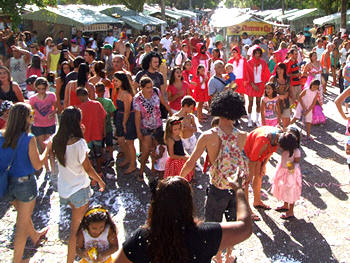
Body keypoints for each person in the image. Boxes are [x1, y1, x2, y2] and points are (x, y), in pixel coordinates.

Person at [113, 176, 252, 263]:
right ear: (189, 204)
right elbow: (245, 227)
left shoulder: (142, 238)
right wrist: (239, 190)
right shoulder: (205, 235)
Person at [180, 90, 248, 262]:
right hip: (236, 188)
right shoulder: (242, 136)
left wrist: (179, 179)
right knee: (233, 224)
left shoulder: (209, 136)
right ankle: (229, 254)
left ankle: (217, 255)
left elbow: (191, 162)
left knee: (213, 225)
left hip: (217, 188)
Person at [52, 107, 105, 263]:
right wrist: (100, 180)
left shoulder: (57, 139)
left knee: (79, 226)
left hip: (65, 188)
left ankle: (78, 254)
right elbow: (87, 168)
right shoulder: (79, 143)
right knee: (76, 230)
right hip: (79, 189)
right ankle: (71, 259)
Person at [0, 103, 50, 263]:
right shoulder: (28, 138)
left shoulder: (1, 136)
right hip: (25, 184)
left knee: (22, 215)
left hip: (7, 184)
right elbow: (37, 165)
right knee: (21, 225)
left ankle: (35, 236)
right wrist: (47, 150)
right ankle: (18, 260)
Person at [133, 77, 172, 181]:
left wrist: (171, 111)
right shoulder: (137, 99)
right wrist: (138, 132)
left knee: (158, 149)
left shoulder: (156, 91)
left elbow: (163, 102)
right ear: (141, 88)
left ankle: (154, 169)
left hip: (158, 125)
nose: (150, 89)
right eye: (147, 88)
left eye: (151, 87)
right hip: (146, 127)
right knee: (146, 151)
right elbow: (137, 117)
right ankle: (141, 172)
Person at [244, 125, 283, 221]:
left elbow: (269, 153)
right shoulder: (263, 141)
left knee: (259, 175)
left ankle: (257, 201)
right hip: (247, 152)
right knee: (246, 181)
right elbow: (253, 159)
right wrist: (249, 174)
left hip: (257, 152)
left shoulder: (277, 138)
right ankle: (246, 209)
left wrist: (263, 165)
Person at [29, 77, 57, 176]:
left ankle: (53, 169)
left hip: (50, 123)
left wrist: (53, 113)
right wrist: (32, 118)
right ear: (36, 88)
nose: (41, 91)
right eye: (39, 89)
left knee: (51, 148)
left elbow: (55, 107)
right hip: (38, 125)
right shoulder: (32, 99)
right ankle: (47, 169)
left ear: (46, 88)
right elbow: (31, 111)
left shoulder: (51, 96)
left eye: (43, 89)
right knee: (43, 147)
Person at [77, 88, 106, 176]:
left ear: (80, 96)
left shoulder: (80, 108)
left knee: (88, 155)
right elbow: (104, 117)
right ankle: (99, 170)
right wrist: (103, 130)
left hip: (86, 135)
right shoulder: (97, 104)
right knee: (98, 153)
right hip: (97, 133)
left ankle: (90, 173)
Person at [272, 131, 301, 220]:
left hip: (291, 175)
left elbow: (296, 163)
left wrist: (290, 167)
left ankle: (290, 211)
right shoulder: (286, 151)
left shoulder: (296, 151)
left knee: (291, 191)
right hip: (283, 172)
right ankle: (285, 205)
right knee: (284, 189)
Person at [114, 72, 137, 174]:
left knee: (130, 142)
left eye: (116, 81)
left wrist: (124, 122)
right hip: (120, 117)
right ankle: (128, 158)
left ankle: (133, 164)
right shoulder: (119, 91)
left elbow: (127, 111)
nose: (114, 83)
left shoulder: (126, 94)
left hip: (128, 119)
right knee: (121, 140)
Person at [247, 46, 271, 127]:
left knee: (258, 103)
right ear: (253, 53)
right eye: (256, 53)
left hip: (260, 84)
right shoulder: (249, 62)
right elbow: (247, 74)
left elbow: (267, 73)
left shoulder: (263, 62)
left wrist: (267, 83)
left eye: (259, 53)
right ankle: (249, 120)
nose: (257, 54)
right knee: (250, 103)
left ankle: (257, 120)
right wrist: (252, 84)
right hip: (251, 84)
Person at [164, 116, 193, 182]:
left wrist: (185, 154)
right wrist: (183, 157)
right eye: (175, 129)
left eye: (179, 128)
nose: (177, 131)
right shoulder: (170, 140)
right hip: (175, 162)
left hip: (182, 158)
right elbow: (171, 155)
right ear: (170, 129)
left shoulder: (178, 136)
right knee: (177, 177)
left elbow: (181, 148)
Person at [95, 83, 116, 168]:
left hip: (98, 128)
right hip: (108, 127)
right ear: (104, 91)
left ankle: (103, 159)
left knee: (101, 144)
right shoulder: (109, 101)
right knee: (109, 144)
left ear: (96, 91)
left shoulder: (94, 101)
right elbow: (112, 113)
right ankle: (111, 158)